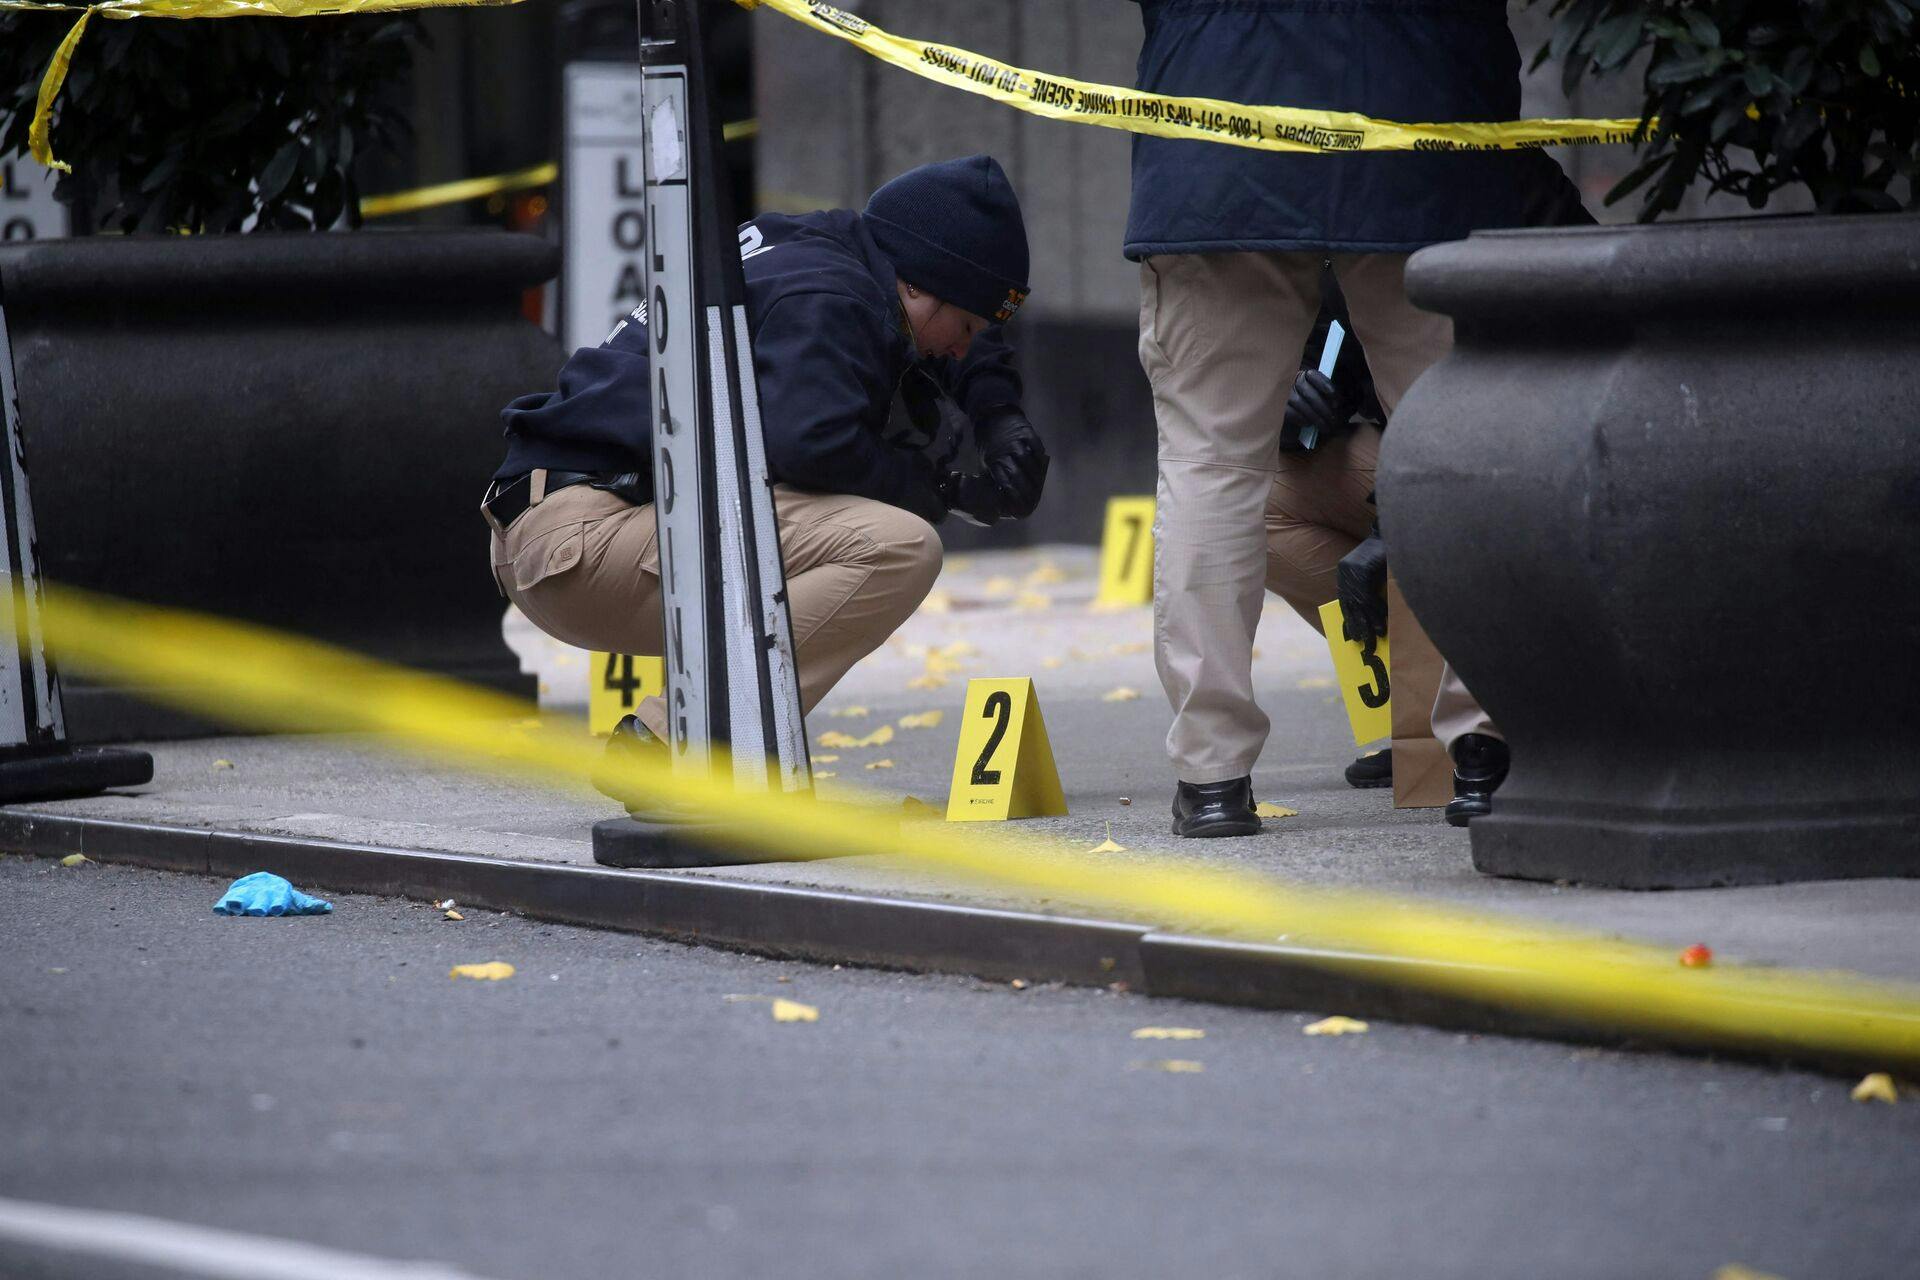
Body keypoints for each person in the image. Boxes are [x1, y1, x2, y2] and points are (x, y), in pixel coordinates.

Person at [1125, 0, 1584, 837]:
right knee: (1465, 447)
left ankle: (1213, 775)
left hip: (1216, 134)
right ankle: (1483, 749)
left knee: (1212, 465)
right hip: (1421, 115)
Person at [482, 155, 1048, 790]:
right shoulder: (833, 299)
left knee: (854, 511)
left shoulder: (817, 248)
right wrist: (946, 489)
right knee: (898, 548)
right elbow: (811, 444)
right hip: (586, 543)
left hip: (555, 525)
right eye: (968, 327)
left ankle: (701, 743)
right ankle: (676, 741)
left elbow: (943, 319)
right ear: (918, 285)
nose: (964, 349)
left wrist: (997, 411)